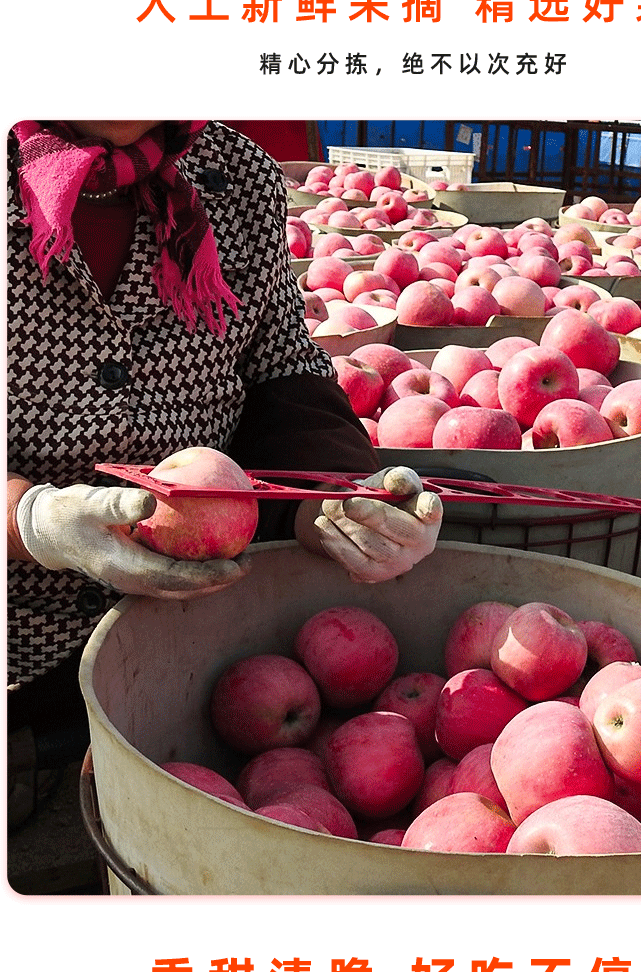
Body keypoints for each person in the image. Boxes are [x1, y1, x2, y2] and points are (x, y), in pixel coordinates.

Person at [6, 119, 442, 826]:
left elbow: (283, 364)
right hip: (18, 639)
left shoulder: (236, 176)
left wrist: (330, 500)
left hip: (200, 631)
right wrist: (27, 520)